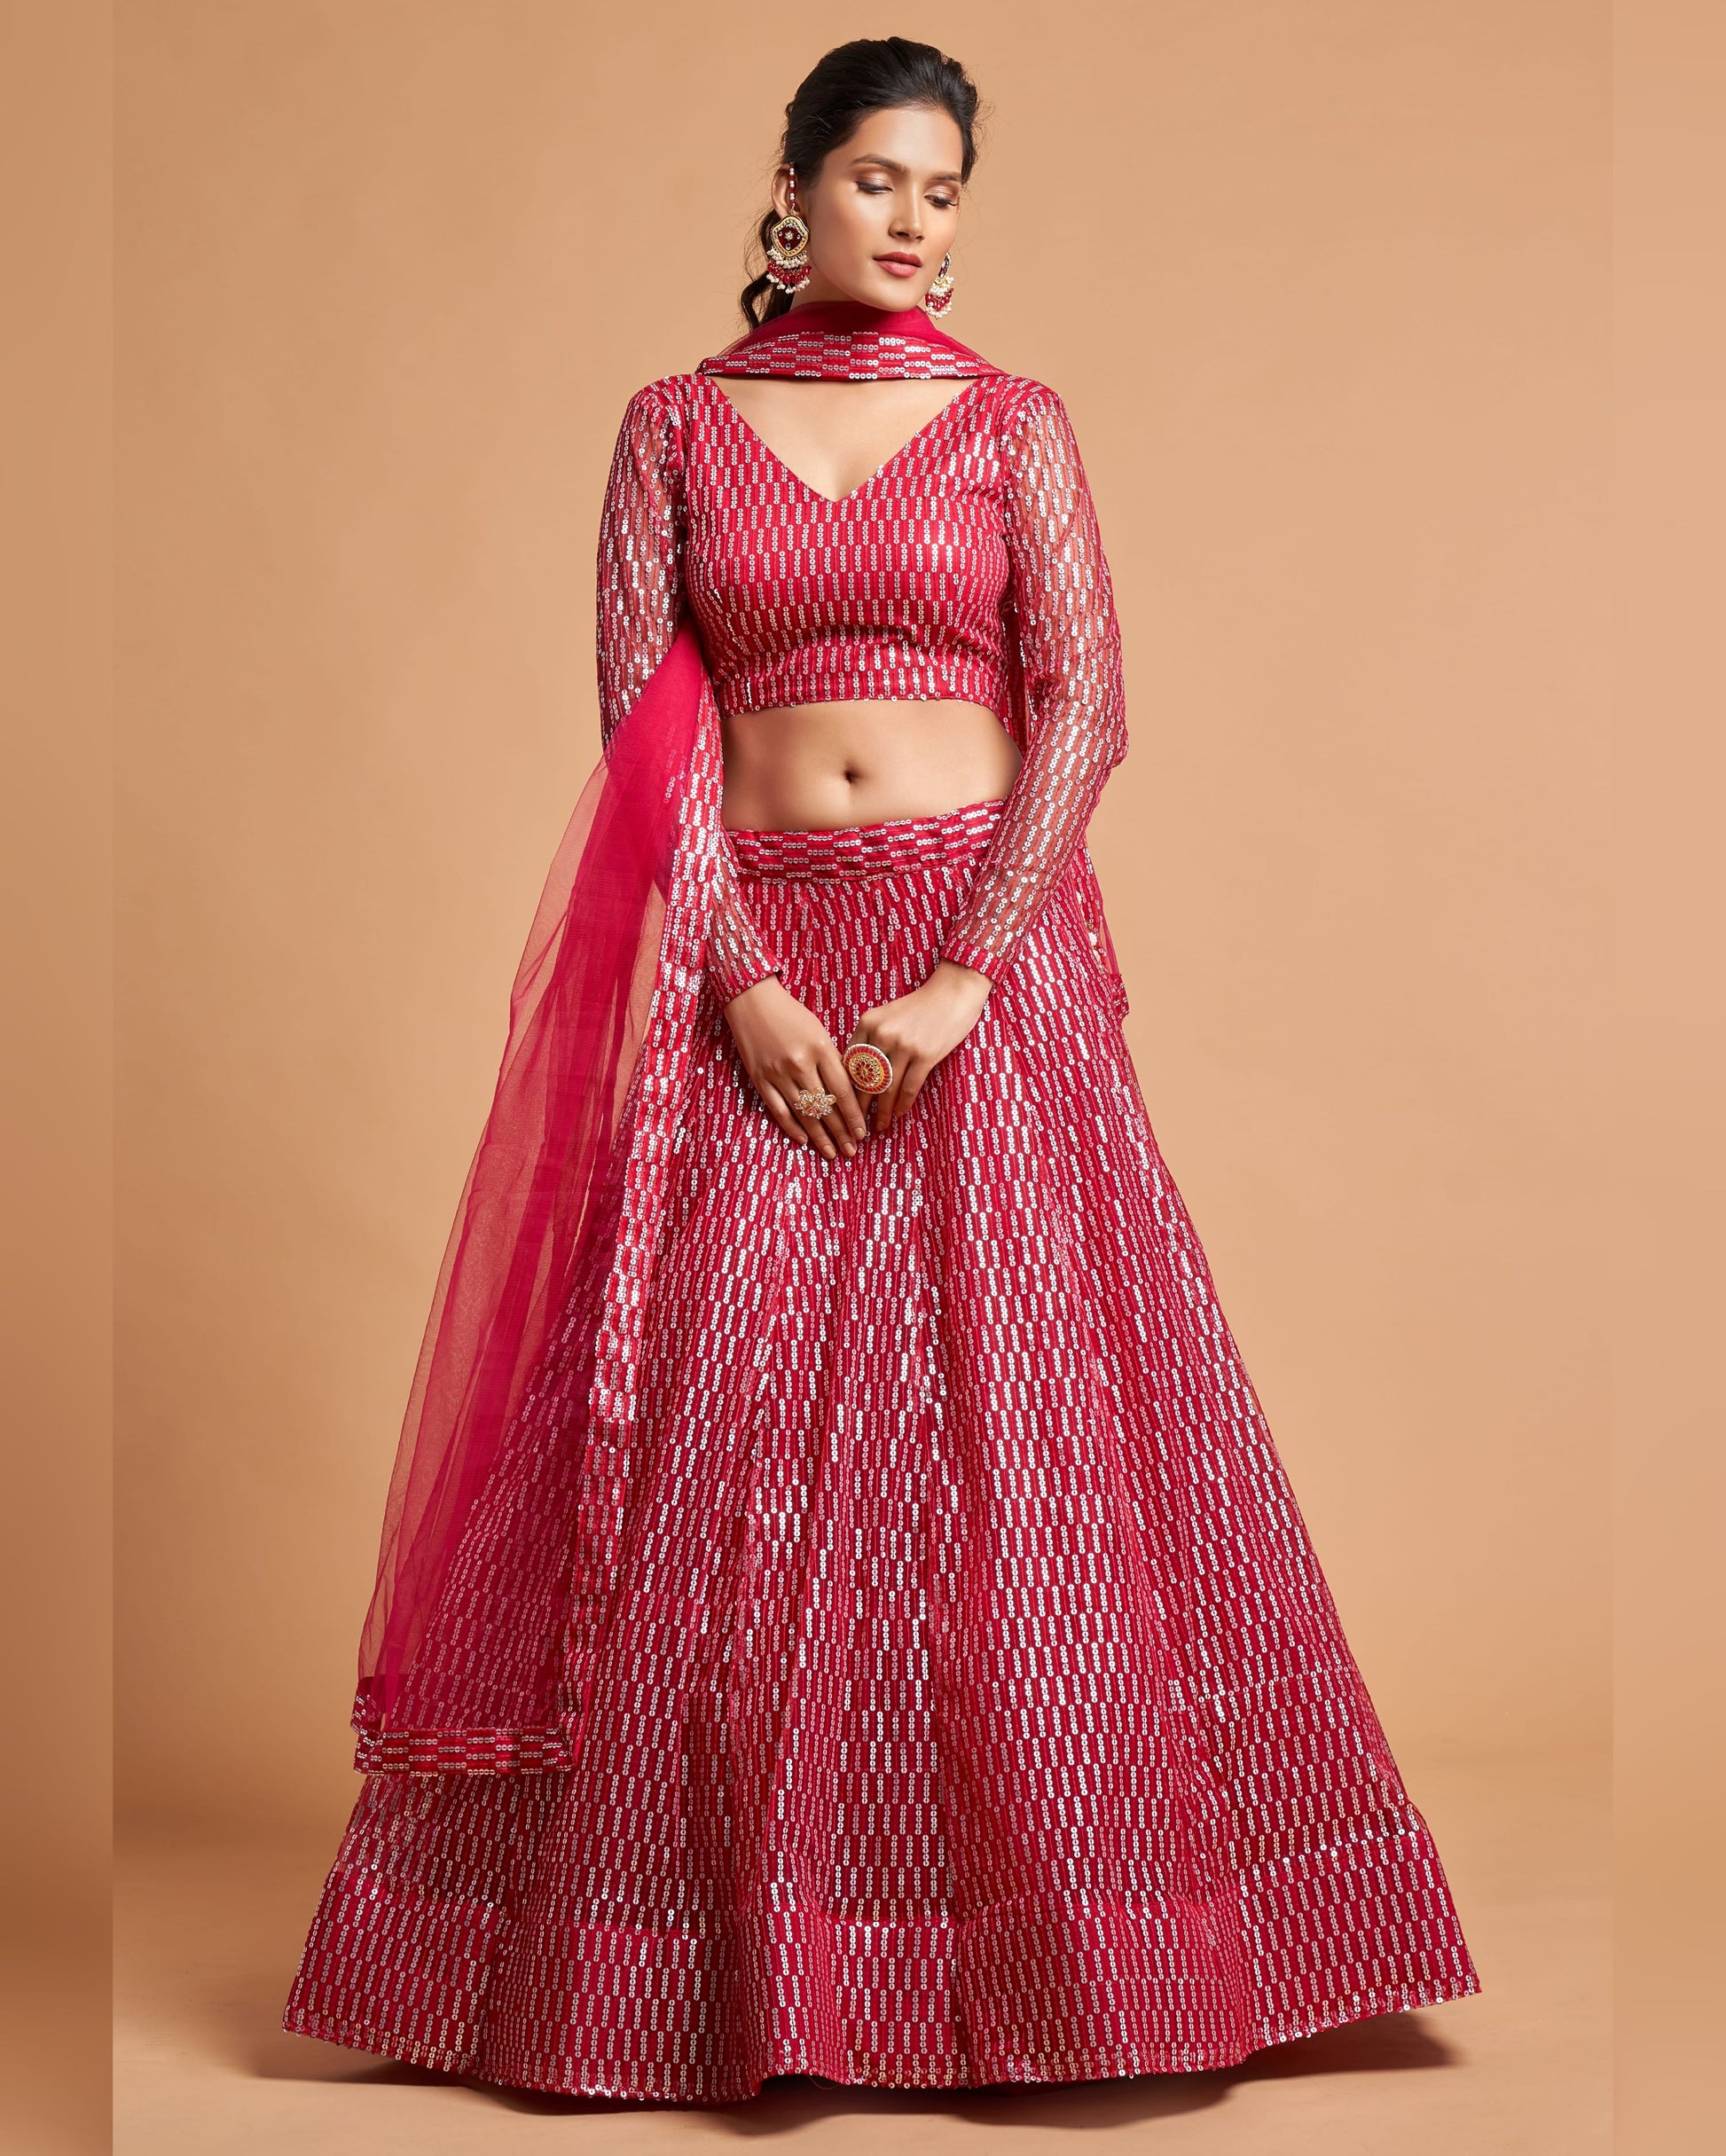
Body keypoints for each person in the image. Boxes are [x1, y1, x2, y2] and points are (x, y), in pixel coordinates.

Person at [283, 35, 1479, 2103]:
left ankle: (1070, 1969)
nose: (913, 221)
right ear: (793, 186)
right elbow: (640, 738)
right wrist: (739, 984)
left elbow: (1085, 708)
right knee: (714, 1454)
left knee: (1020, 1441)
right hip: (759, 954)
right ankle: (717, 1972)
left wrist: (963, 978)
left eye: (945, 188)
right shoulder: (672, 425)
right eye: (877, 180)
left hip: (964, 962)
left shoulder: (1014, 425)